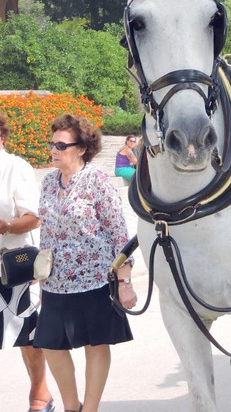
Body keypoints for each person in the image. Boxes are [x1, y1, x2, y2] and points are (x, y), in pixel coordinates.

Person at [34, 114, 137, 412]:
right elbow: (46, 231)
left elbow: (119, 233)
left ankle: (89, 409)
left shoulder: (97, 181)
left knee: (96, 344)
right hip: (56, 282)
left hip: (94, 279)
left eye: (61, 145)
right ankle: (71, 407)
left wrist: (125, 282)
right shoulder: (50, 182)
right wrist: (42, 273)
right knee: (51, 345)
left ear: (81, 148)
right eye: (52, 144)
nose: (54, 150)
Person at [0, 113, 55, 412]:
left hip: (12, 267)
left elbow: (33, 218)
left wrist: (5, 226)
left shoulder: (15, 167)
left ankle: (40, 394)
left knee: (27, 336)